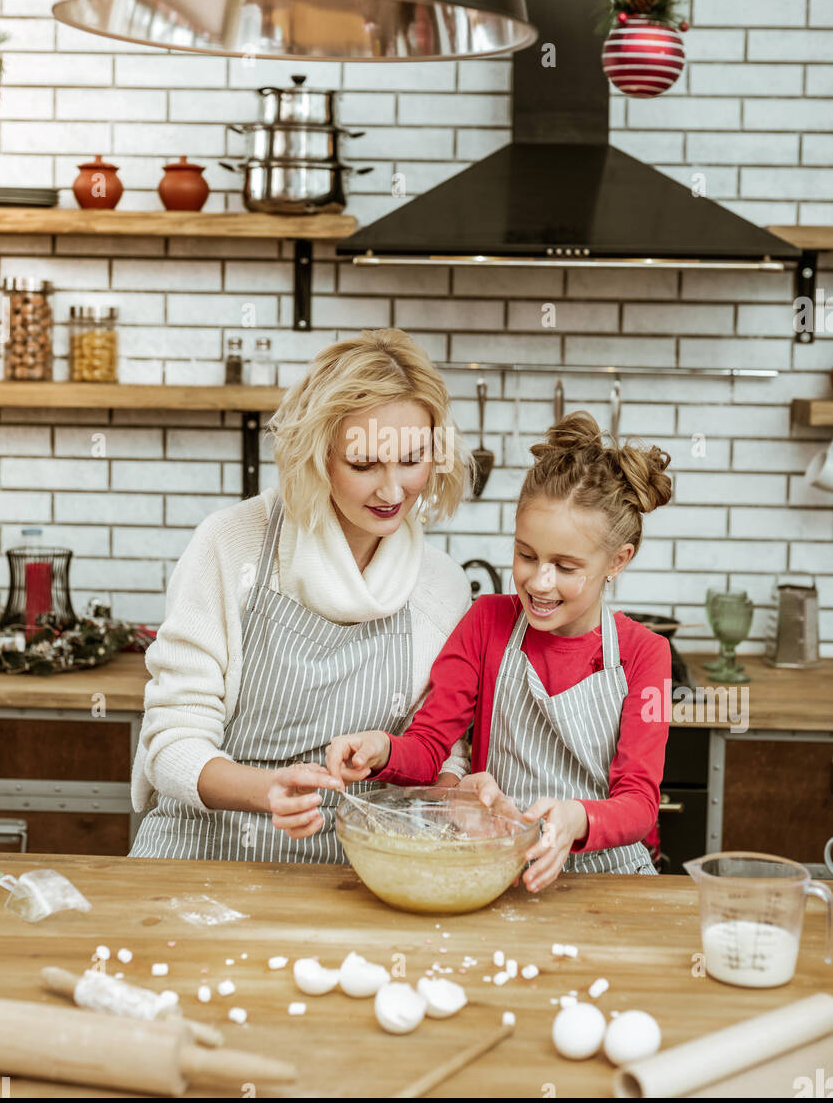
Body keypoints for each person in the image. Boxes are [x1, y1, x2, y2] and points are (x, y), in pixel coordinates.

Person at [129, 328, 475, 862]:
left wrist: (457, 792)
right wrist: (264, 792)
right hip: (203, 854)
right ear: (317, 454)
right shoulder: (233, 544)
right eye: (363, 464)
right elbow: (170, 742)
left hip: (359, 870)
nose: (391, 491)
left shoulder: (443, 586)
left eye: (412, 460)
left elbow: (442, 751)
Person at [327, 411, 673, 887]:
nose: (539, 581)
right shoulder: (487, 622)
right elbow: (429, 749)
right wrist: (383, 749)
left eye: (566, 567)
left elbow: (638, 802)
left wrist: (575, 820)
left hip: (609, 881)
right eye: (526, 555)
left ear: (618, 560)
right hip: (502, 873)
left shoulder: (646, 654)